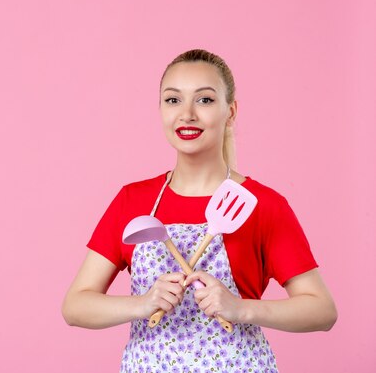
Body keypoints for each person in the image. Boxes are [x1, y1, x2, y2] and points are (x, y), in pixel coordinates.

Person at [61, 49, 337, 373]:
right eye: (173, 100)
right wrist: (143, 303)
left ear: (230, 112)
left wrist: (241, 309)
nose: (187, 114)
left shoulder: (262, 205)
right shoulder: (133, 201)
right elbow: (75, 305)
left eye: (204, 100)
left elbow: (322, 310)